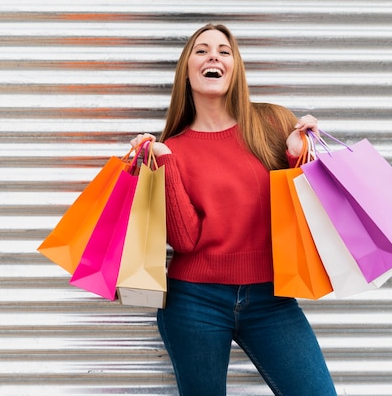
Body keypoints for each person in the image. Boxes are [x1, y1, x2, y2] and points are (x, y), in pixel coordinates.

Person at [130, 24, 337, 396]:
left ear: (236, 67)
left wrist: (297, 155)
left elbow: (300, 213)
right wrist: (164, 163)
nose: (214, 56)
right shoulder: (172, 146)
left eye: (224, 51)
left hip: (271, 299)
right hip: (194, 302)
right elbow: (186, 241)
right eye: (202, 50)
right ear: (187, 70)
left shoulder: (272, 123)